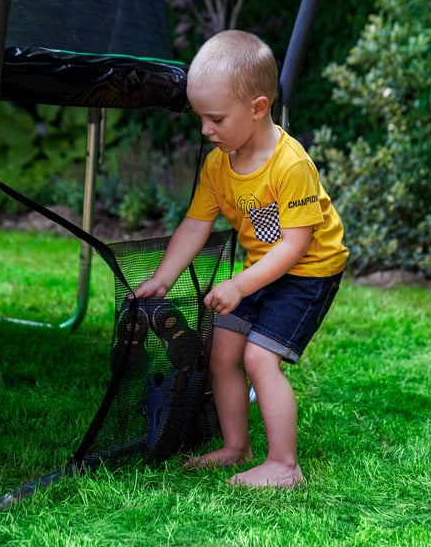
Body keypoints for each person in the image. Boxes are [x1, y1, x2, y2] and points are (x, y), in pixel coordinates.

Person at [132, 30, 348, 488]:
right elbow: (195, 225)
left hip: (309, 271)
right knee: (222, 351)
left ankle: (284, 466)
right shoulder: (218, 164)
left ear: (258, 107)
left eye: (215, 119)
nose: (205, 130)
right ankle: (236, 447)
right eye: (201, 118)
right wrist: (163, 279)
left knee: (258, 358)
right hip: (262, 268)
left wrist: (239, 285)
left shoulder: (290, 164)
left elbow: (295, 245)